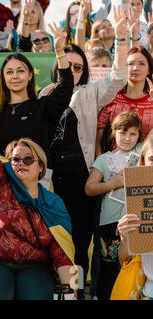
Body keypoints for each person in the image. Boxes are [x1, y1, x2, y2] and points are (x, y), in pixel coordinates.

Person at [40, 5, 129, 298]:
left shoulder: (91, 92)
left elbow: (117, 78)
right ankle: (58, 290)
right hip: (49, 182)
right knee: (52, 241)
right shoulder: (44, 94)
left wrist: (121, 39)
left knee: (79, 243)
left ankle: (76, 293)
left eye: (79, 66)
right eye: (69, 65)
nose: (74, 71)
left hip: (81, 181)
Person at [0, 76, 76, 299]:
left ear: (40, 167)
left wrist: (69, 292)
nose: (21, 163)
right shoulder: (0, 183)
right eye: (15, 159)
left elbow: (61, 252)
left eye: (28, 159)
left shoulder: (52, 203)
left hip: (34, 266)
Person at [0, 23, 73, 164]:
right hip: (5, 181)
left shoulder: (42, 106)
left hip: (39, 181)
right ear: (3, 78)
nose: (15, 76)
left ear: (30, 75)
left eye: (20, 71)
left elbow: (66, 86)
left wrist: (60, 51)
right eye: (9, 72)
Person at [85, 112, 143, 300]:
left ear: (139, 135)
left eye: (133, 134)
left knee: (135, 266)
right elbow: (89, 188)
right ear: (113, 133)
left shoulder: (143, 153)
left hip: (136, 223)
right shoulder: (104, 159)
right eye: (122, 132)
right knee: (108, 270)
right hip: (109, 224)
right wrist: (113, 184)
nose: (127, 138)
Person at [97, 46, 153, 156]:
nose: (135, 68)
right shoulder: (111, 98)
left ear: (149, 70)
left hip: (145, 168)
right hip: (114, 167)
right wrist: (100, 164)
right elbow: (97, 139)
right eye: (131, 64)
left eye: (141, 63)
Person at [117, 137, 153, 300]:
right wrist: (125, 238)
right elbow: (124, 260)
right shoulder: (135, 202)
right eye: (152, 159)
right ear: (143, 162)